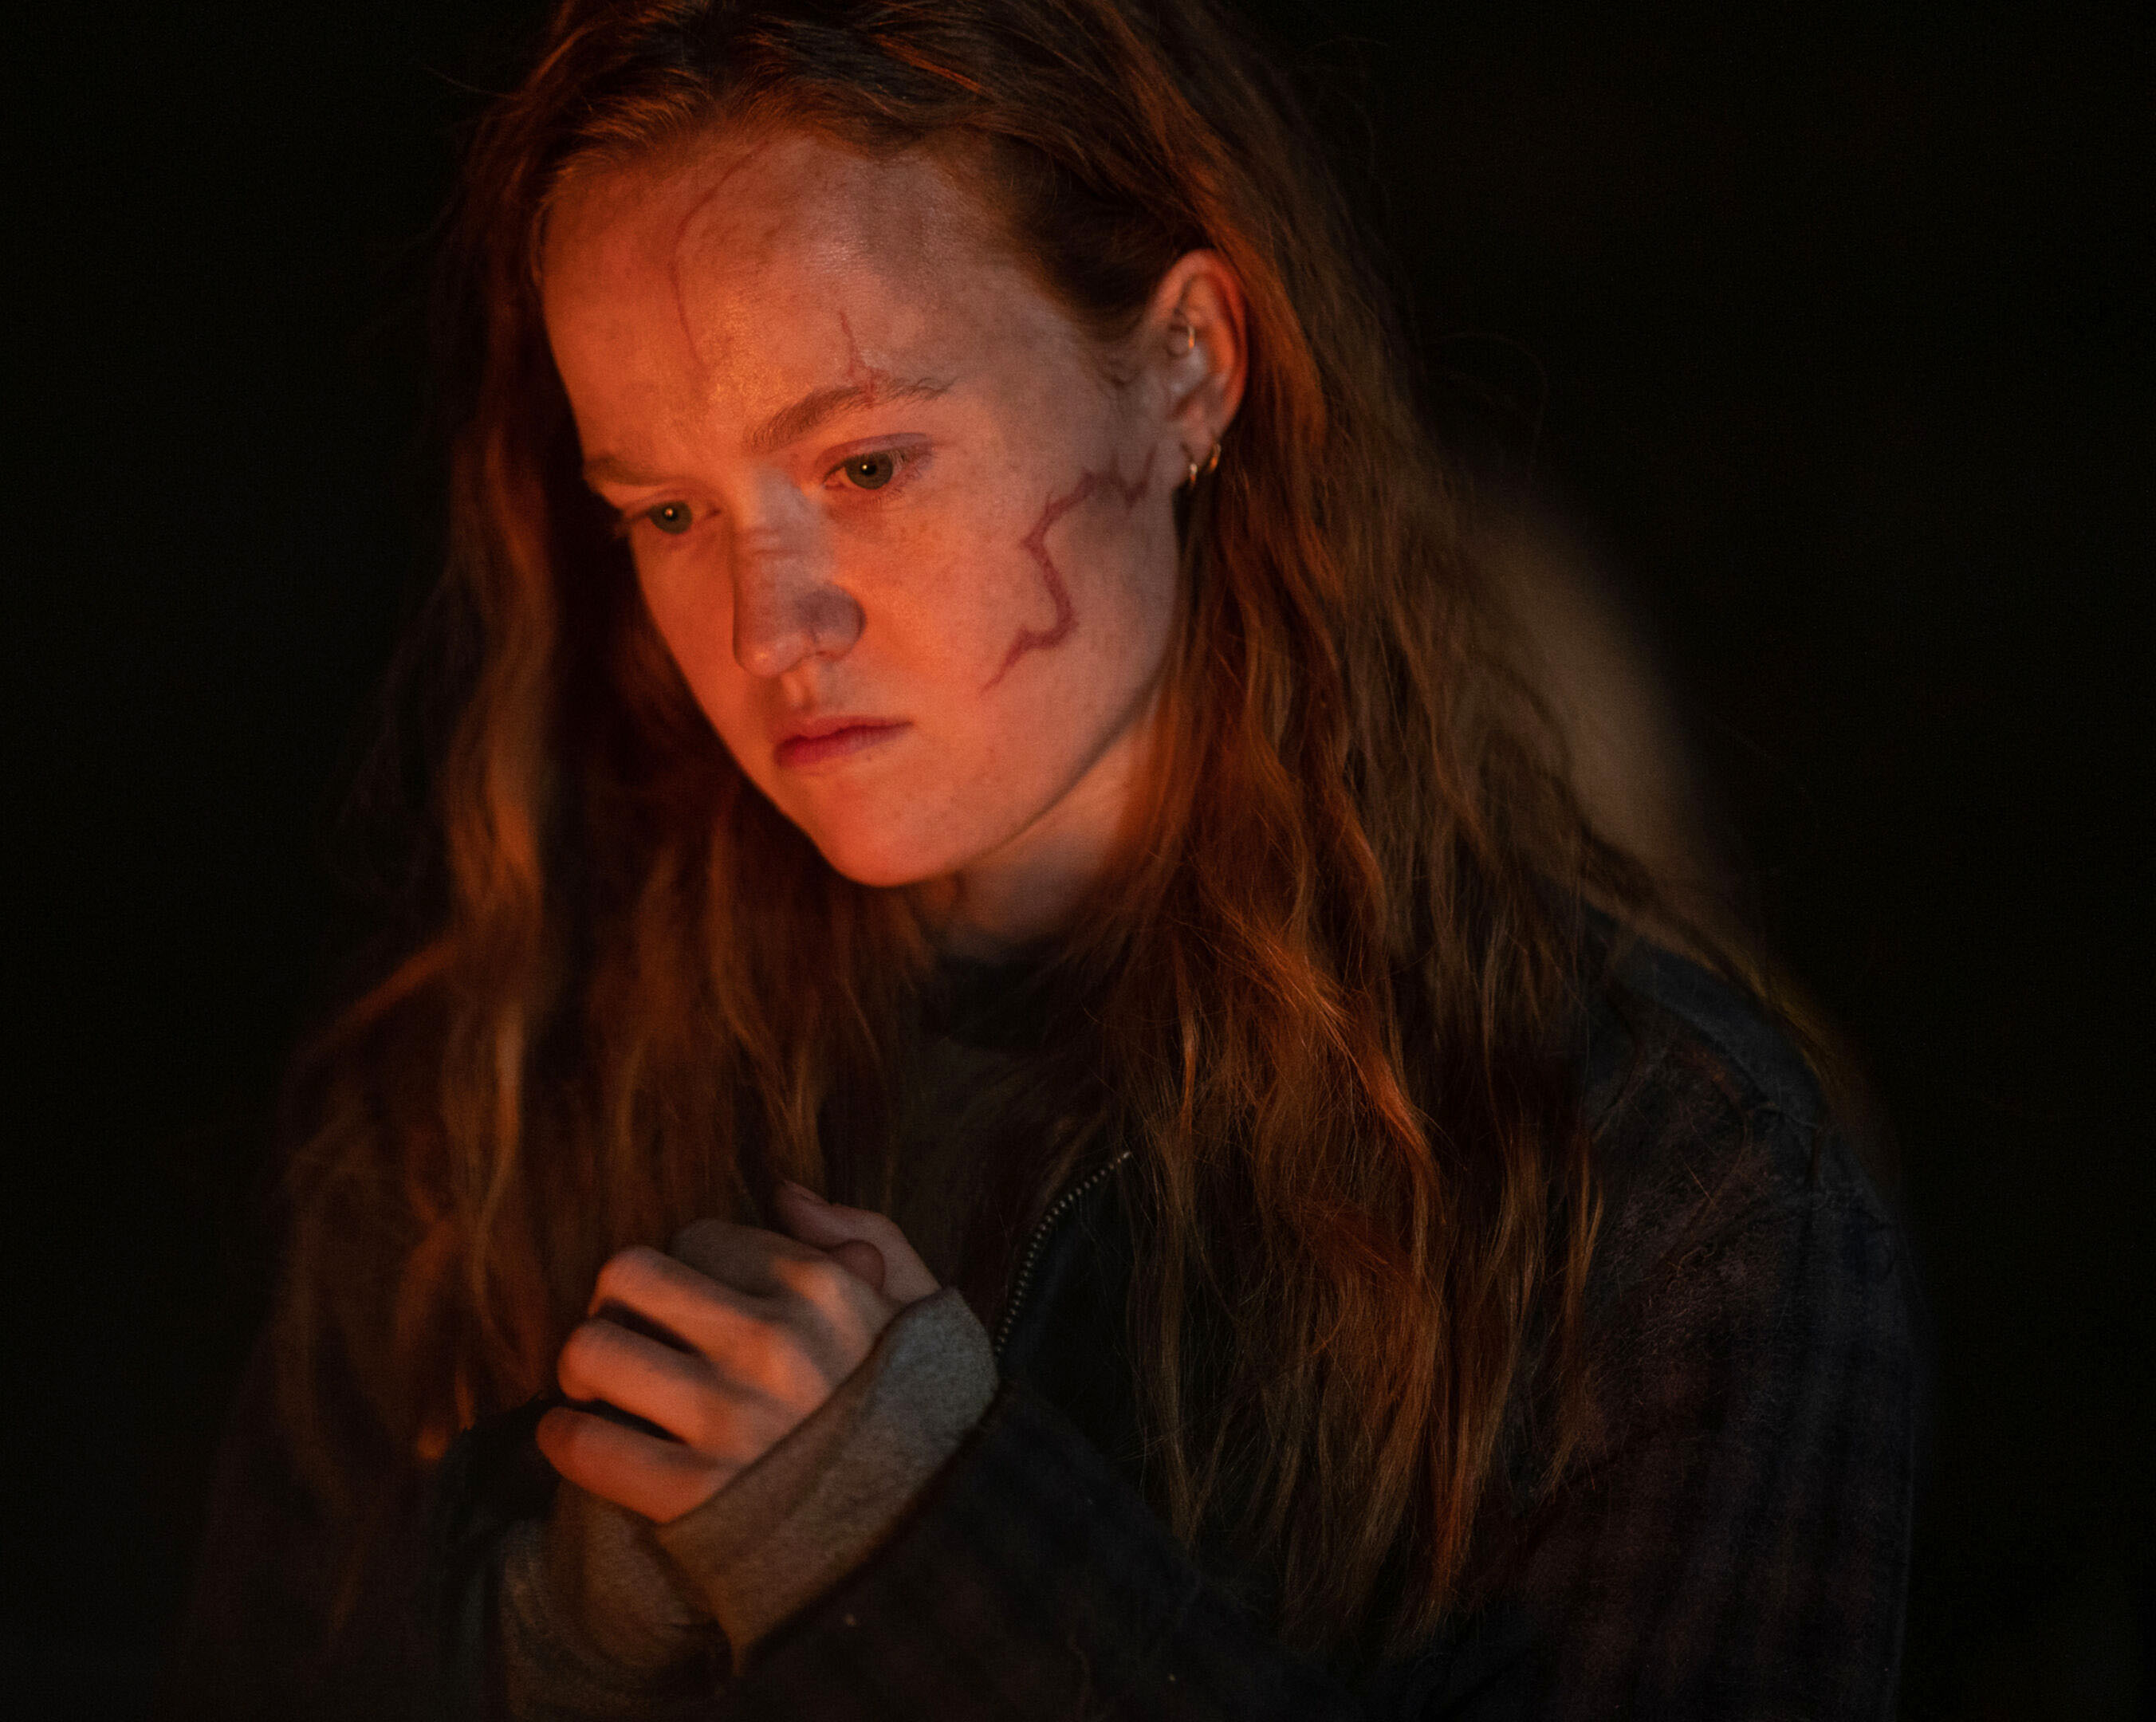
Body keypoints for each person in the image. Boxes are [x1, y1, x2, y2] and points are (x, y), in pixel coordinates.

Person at [171, 0, 1920, 1715]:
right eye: (669, 511)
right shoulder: (501, 1090)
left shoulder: (1662, 1183)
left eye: (866, 463)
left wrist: (921, 1553)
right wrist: (539, 1643)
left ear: (1186, 371)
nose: (768, 628)